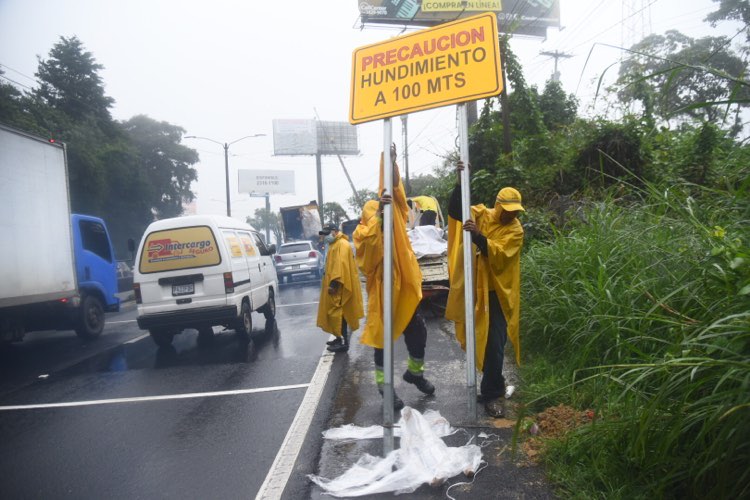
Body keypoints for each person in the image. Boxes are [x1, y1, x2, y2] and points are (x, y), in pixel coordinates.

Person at [354, 146, 435, 411]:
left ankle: (415, 373)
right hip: (382, 292)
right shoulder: (364, 231)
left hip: (404, 286)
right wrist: (378, 218)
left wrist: (391, 165)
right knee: (382, 341)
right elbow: (368, 254)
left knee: (418, 331)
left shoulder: (397, 216)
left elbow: (398, 197)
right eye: (375, 211)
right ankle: (384, 388)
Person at [445, 160, 524, 418]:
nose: (512, 214)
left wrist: (478, 236)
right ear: (498, 205)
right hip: (478, 289)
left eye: (516, 211)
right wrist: (461, 180)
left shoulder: (515, 230)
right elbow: (457, 211)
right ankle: (495, 383)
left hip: (498, 294)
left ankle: (492, 394)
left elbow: (500, 255)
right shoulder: (483, 215)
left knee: (495, 343)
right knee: (479, 337)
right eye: (508, 210)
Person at [316, 224, 364, 353]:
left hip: (338, 285)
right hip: (334, 283)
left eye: (327, 233)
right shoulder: (334, 244)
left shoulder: (342, 244)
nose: (325, 236)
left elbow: (340, 267)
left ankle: (343, 342)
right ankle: (338, 338)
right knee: (334, 312)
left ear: (335, 231)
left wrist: (334, 284)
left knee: (339, 313)